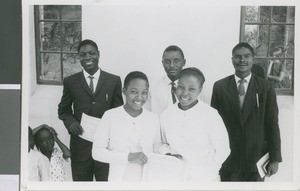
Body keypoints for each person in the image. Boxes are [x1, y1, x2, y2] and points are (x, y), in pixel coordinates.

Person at [211, 42, 282, 181]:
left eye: (246, 56)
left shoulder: (266, 87)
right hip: (228, 158)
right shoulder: (220, 87)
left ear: (253, 60)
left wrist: (275, 158)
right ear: (232, 60)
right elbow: (213, 125)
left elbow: (273, 125)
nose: (242, 60)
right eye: (237, 57)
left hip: (256, 158)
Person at [58, 39, 123, 181]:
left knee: (106, 184)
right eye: (83, 54)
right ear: (78, 58)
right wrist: (70, 123)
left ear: (98, 55)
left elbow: (119, 113)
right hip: (80, 147)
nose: (88, 57)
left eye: (92, 53)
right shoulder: (70, 81)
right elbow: (63, 110)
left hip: (106, 147)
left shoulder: (114, 81)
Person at [160, 67, 230, 181]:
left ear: (200, 89)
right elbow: (163, 143)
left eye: (192, 89)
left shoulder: (211, 115)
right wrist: (167, 155)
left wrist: (209, 170)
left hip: (205, 179)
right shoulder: (166, 114)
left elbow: (223, 149)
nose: (185, 93)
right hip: (174, 177)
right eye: (181, 87)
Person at [92, 71, 161, 181]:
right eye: (134, 92)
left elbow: (158, 149)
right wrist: (128, 157)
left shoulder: (153, 118)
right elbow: (97, 152)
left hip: (147, 179)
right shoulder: (110, 116)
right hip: (119, 180)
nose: (139, 97)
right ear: (124, 91)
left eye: (144, 92)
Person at [150, 45, 186, 115]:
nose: (172, 65)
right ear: (162, 63)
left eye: (176, 61)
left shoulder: (193, 88)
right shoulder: (153, 88)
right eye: (167, 62)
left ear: (184, 62)